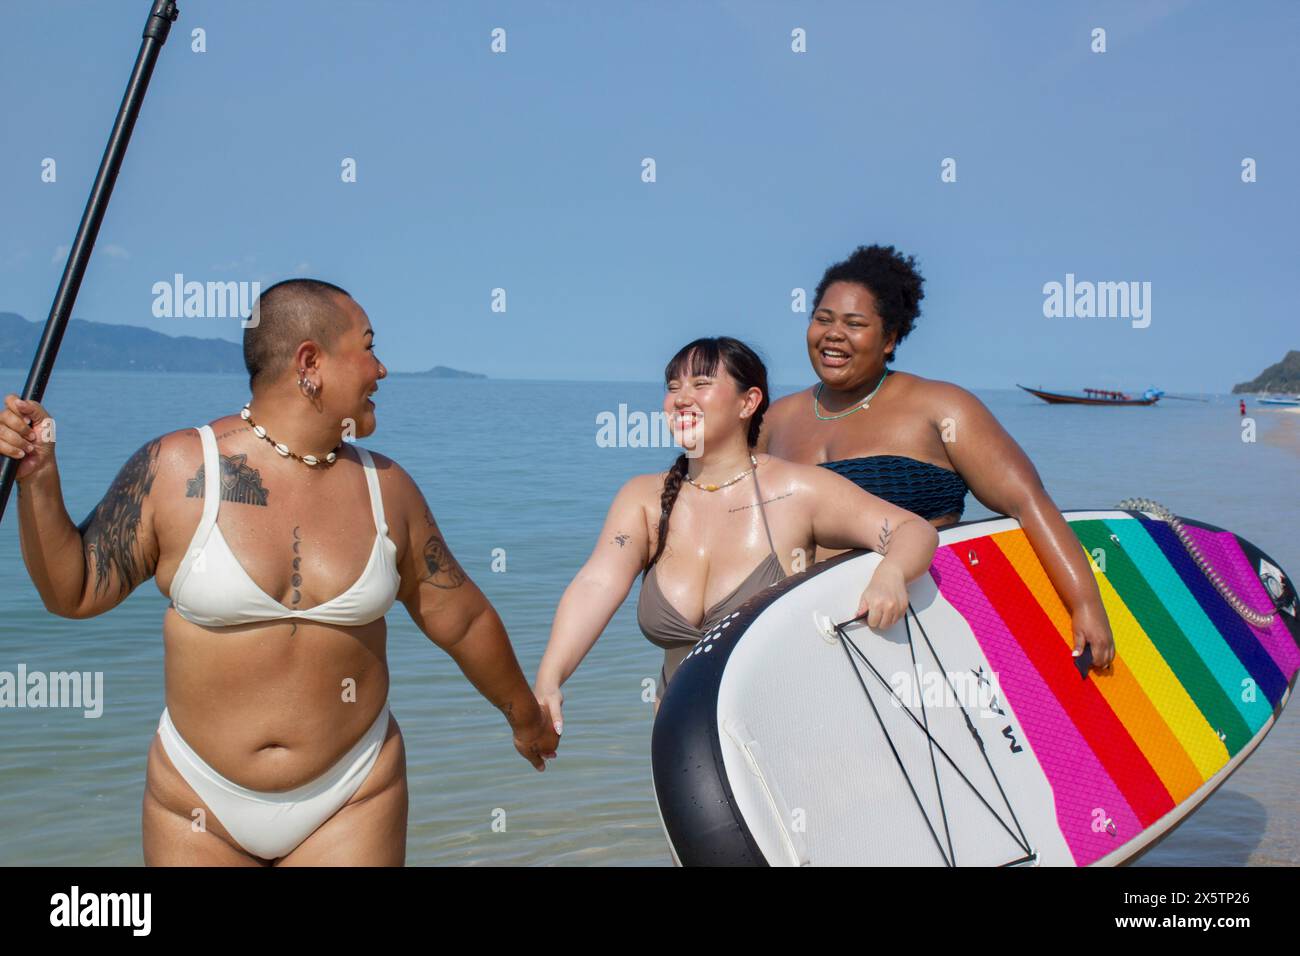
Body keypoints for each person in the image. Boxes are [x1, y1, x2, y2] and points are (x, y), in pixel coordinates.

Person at [3, 278, 557, 866]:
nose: (383, 370)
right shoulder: (179, 469)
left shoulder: (387, 489)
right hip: (197, 802)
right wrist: (38, 479)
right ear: (310, 362)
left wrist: (525, 718)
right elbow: (75, 591)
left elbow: (463, 620)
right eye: (368, 347)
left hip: (352, 796)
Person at [533, 336, 938, 727]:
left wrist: (891, 574)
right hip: (686, 744)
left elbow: (911, 529)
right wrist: (550, 678)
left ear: (749, 402)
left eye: (701, 383)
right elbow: (597, 583)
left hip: (788, 728)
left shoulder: (797, 491)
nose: (681, 397)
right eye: (673, 387)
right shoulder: (644, 499)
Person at [759, 244, 1115, 669]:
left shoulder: (941, 407)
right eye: (823, 319)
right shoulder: (774, 420)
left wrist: (1085, 604)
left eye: (855, 324)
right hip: (809, 638)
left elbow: (1028, 502)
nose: (834, 334)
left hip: (918, 635)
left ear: (889, 339)